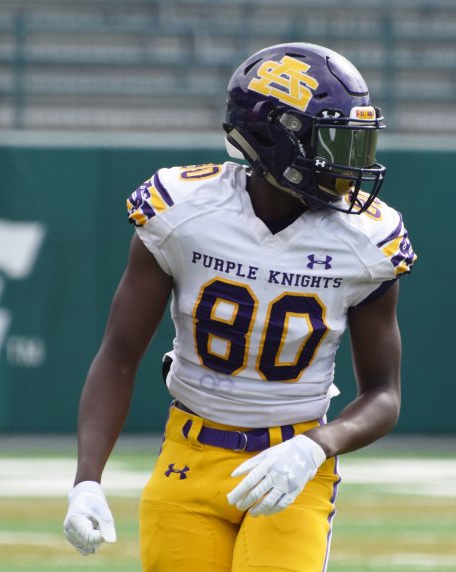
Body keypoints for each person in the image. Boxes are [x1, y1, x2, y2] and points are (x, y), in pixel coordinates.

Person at [63, 42, 417, 571]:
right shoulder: (183, 211)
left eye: (355, 142)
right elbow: (118, 356)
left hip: (293, 464)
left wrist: (316, 446)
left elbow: (384, 395)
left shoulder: (368, 239)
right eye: (332, 142)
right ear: (275, 139)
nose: (349, 164)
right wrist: (87, 480)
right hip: (188, 458)